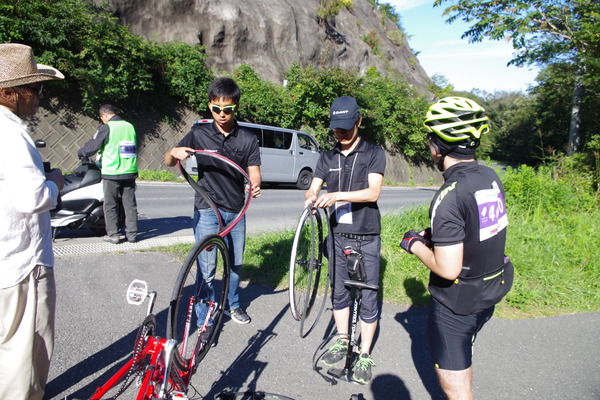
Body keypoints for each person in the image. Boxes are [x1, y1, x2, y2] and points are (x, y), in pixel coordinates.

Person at [400, 97, 513, 400]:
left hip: (458, 303)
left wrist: (414, 245)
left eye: (429, 138)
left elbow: (448, 269)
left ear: (437, 145)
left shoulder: (449, 194)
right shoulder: (489, 176)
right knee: (463, 356)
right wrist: (437, 235)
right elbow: (481, 229)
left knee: (458, 390)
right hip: (490, 289)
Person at [164, 77, 261, 327]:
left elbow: (254, 170)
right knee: (206, 267)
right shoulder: (199, 133)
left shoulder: (248, 138)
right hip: (207, 208)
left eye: (227, 109)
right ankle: (203, 316)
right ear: (210, 106)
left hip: (236, 210)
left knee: (235, 264)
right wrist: (174, 153)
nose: (221, 114)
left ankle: (232, 304)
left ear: (236, 108)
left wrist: (254, 183)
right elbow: (167, 159)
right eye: (216, 108)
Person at [305, 96, 386, 385]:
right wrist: (312, 198)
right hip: (337, 235)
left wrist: (337, 195)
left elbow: (372, 193)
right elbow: (312, 189)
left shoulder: (374, 153)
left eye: (346, 128)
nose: (340, 134)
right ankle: (342, 340)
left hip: (365, 236)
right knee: (339, 292)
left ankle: (364, 353)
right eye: (336, 129)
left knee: (367, 296)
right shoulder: (327, 157)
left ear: (358, 121)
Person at [0, 43, 65, 400]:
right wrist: (53, 183)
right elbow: (32, 198)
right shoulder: (10, 133)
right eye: (35, 89)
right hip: (21, 261)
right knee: (24, 351)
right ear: (10, 93)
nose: (40, 97)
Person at [78, 104, 138, 243]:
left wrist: (81, 152)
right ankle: (132, 235)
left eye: (102, 118)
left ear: (104, 115)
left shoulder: (107, 127)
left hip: (112, 171)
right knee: (129, 204)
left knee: (110, 204)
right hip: (129, 171)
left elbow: (94, 145)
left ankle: (113, 235)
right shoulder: (129, 126)